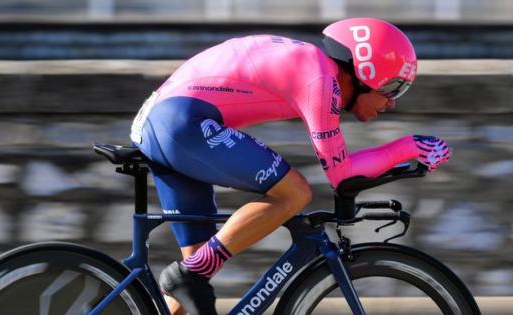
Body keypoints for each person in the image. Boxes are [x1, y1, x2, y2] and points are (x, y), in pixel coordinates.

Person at [130, 17, 451, 315]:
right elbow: (342, 175)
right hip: (179, 123)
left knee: (190, 288)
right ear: (366, 74)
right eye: (393, 88)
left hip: (169, 122)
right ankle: (189, 274)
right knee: (294, 192)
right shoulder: (321, 80)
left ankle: (189, 275)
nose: (392, 102)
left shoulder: (315, 68)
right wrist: (409, 147)